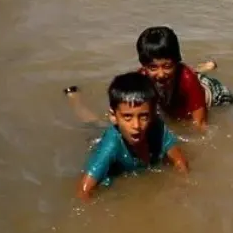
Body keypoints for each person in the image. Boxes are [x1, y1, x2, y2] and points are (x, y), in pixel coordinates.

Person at [76, 72, 189, 200]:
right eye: (127, 116)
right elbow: (83, 191)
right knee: (93, 124)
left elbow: (180, 161)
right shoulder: (111, 145)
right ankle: (74, 97)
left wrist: (183, 188)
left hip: (120, 129)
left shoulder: (157, 127)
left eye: (144, 116)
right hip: (102, 138)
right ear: (114, 116)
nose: (136, 125)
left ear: (153, 114)